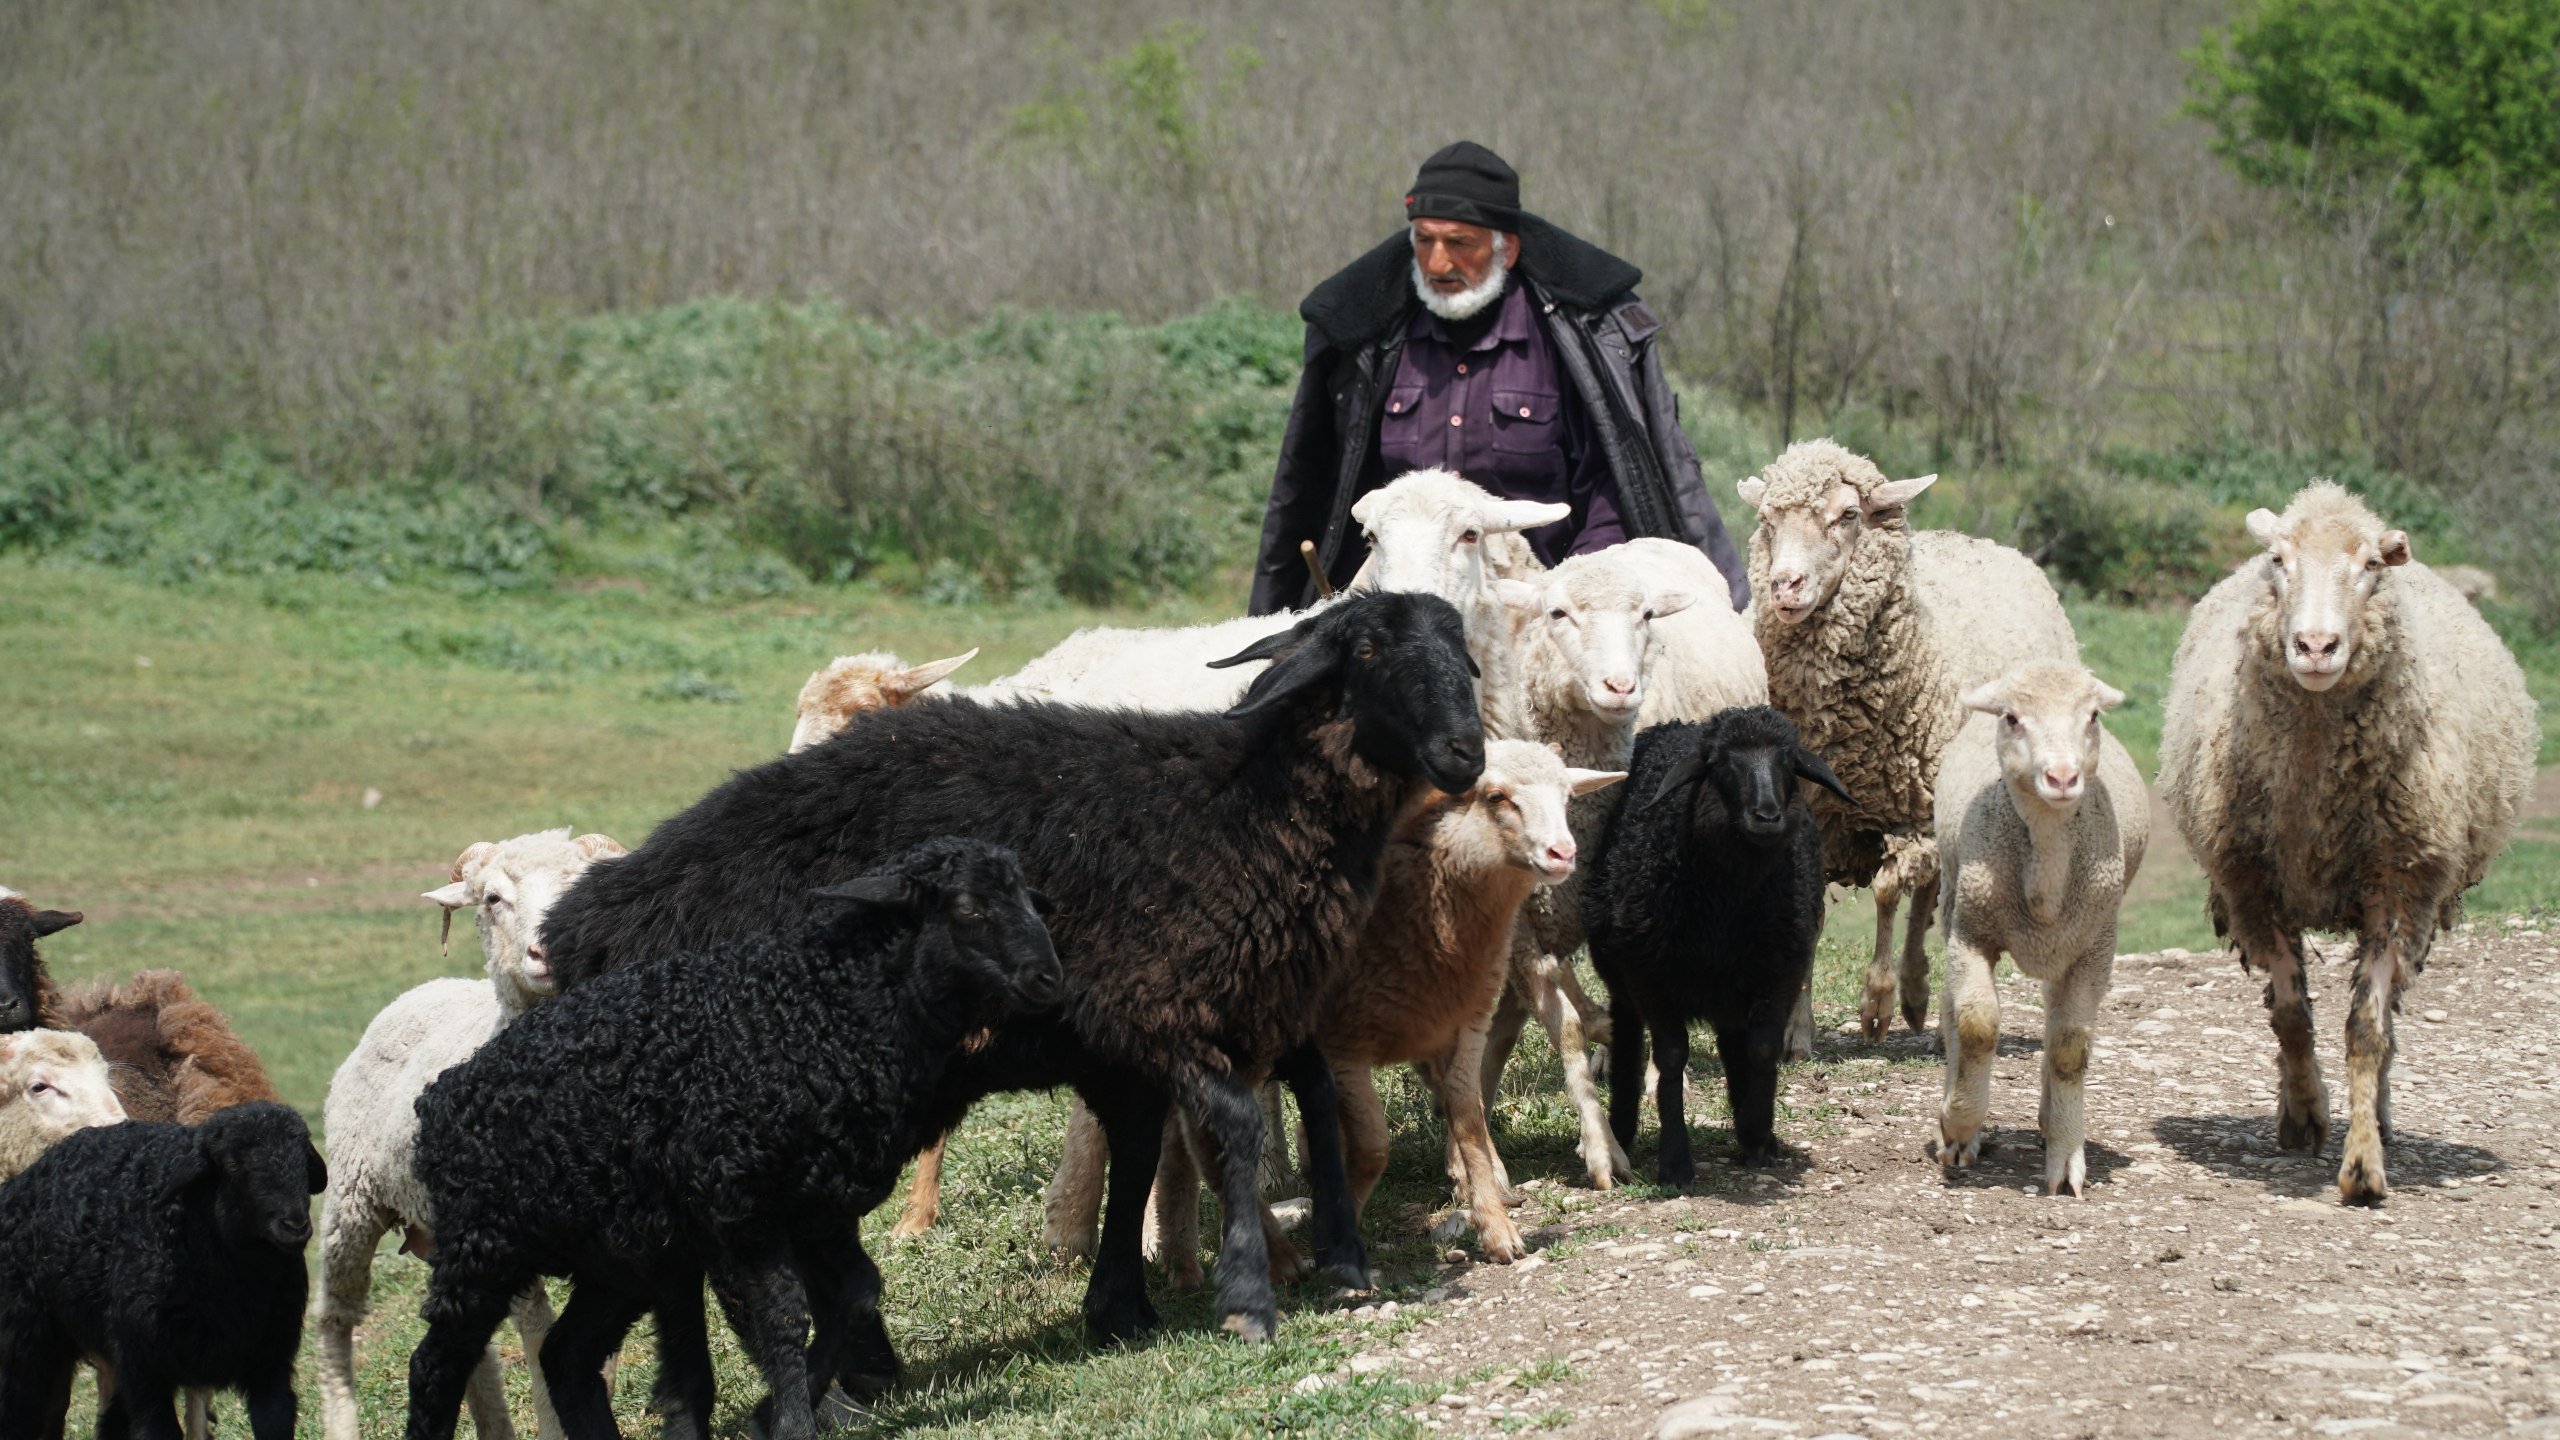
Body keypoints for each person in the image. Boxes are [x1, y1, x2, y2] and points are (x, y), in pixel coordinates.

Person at [1249, 140, 1749, 615]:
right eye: (1423, 241)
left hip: (1544, 609)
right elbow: (1316, 484)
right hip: (1406, 617)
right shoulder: (1373, 342)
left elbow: (1609, 487)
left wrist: (1572, 590)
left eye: (1459, 243)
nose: (1437, 262)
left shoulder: (1571, 339)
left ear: (1506, 249)